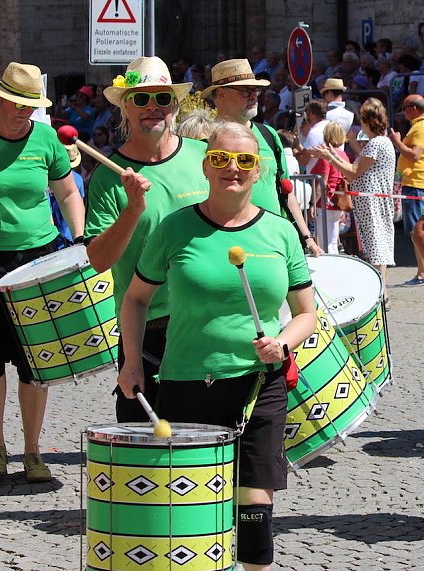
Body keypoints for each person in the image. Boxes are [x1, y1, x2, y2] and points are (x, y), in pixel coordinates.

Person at [119, 121, 317, 571]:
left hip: (256, 384)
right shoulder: (173, 230)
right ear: (206, 167)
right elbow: (135, 299)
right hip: (186, 381)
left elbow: (306, 313)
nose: (233, 169)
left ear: (259, 170)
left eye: (244, 161)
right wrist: (132, 362)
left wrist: (282, 342)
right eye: (221, 159)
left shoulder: (281, 233)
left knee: (252, 508)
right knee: (192, 516)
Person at [85, 56, 203, 423]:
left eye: (162, 99)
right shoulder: (107, 177)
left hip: (205, 322)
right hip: (146, 331)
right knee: (143, 455)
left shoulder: (204, 157)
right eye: (141, 99)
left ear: (175, 105)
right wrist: (133, 208)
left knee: (208, 445)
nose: (153, 108)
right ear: (125, 107)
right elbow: (99, 259)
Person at [0, 62, 85, 481]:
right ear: (0, 98)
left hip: (38, 259)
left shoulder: (46, 139)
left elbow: (67, 193)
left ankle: (32, 451)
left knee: (36, 360)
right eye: (17, 104)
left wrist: (80, 241)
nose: (22, 113)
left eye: (30, 106)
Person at [204, 59, 323, 255]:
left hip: (272, 241)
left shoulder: (269, 135)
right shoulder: (204, 138)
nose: (253, 96)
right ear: (221, 93)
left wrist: (306, 237)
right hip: (224, 242)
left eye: (255, 90)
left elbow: (285, 190)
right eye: (245, 90)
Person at [309, 98, 396, 305]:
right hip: (370, 201)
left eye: (363, 121)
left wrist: (329, 157)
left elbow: (353, 173)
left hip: (373, 202)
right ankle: (381, 291)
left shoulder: (376, 143)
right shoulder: (378, 142)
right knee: (375, 245)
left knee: (376, 246)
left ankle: (381, 292)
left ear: (368, 122)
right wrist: (331, 154)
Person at [390, 94, 424, 286]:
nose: (403, 111)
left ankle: (423, 273)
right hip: (414, 183)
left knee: (416, 230)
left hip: (416, 184)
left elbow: (415, 154)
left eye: (404, 107)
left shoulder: (421, 128)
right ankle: (423, 271)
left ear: (414, 108)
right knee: (415, 229)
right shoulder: (420, 127)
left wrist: (397, 142)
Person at [309, 122, 350, 254]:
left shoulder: (326, 157)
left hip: (324, 203)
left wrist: (312, 203)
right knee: (332, 241)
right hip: (337, 202)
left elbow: (322, 182)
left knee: (324, 242)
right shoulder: (343, 155)